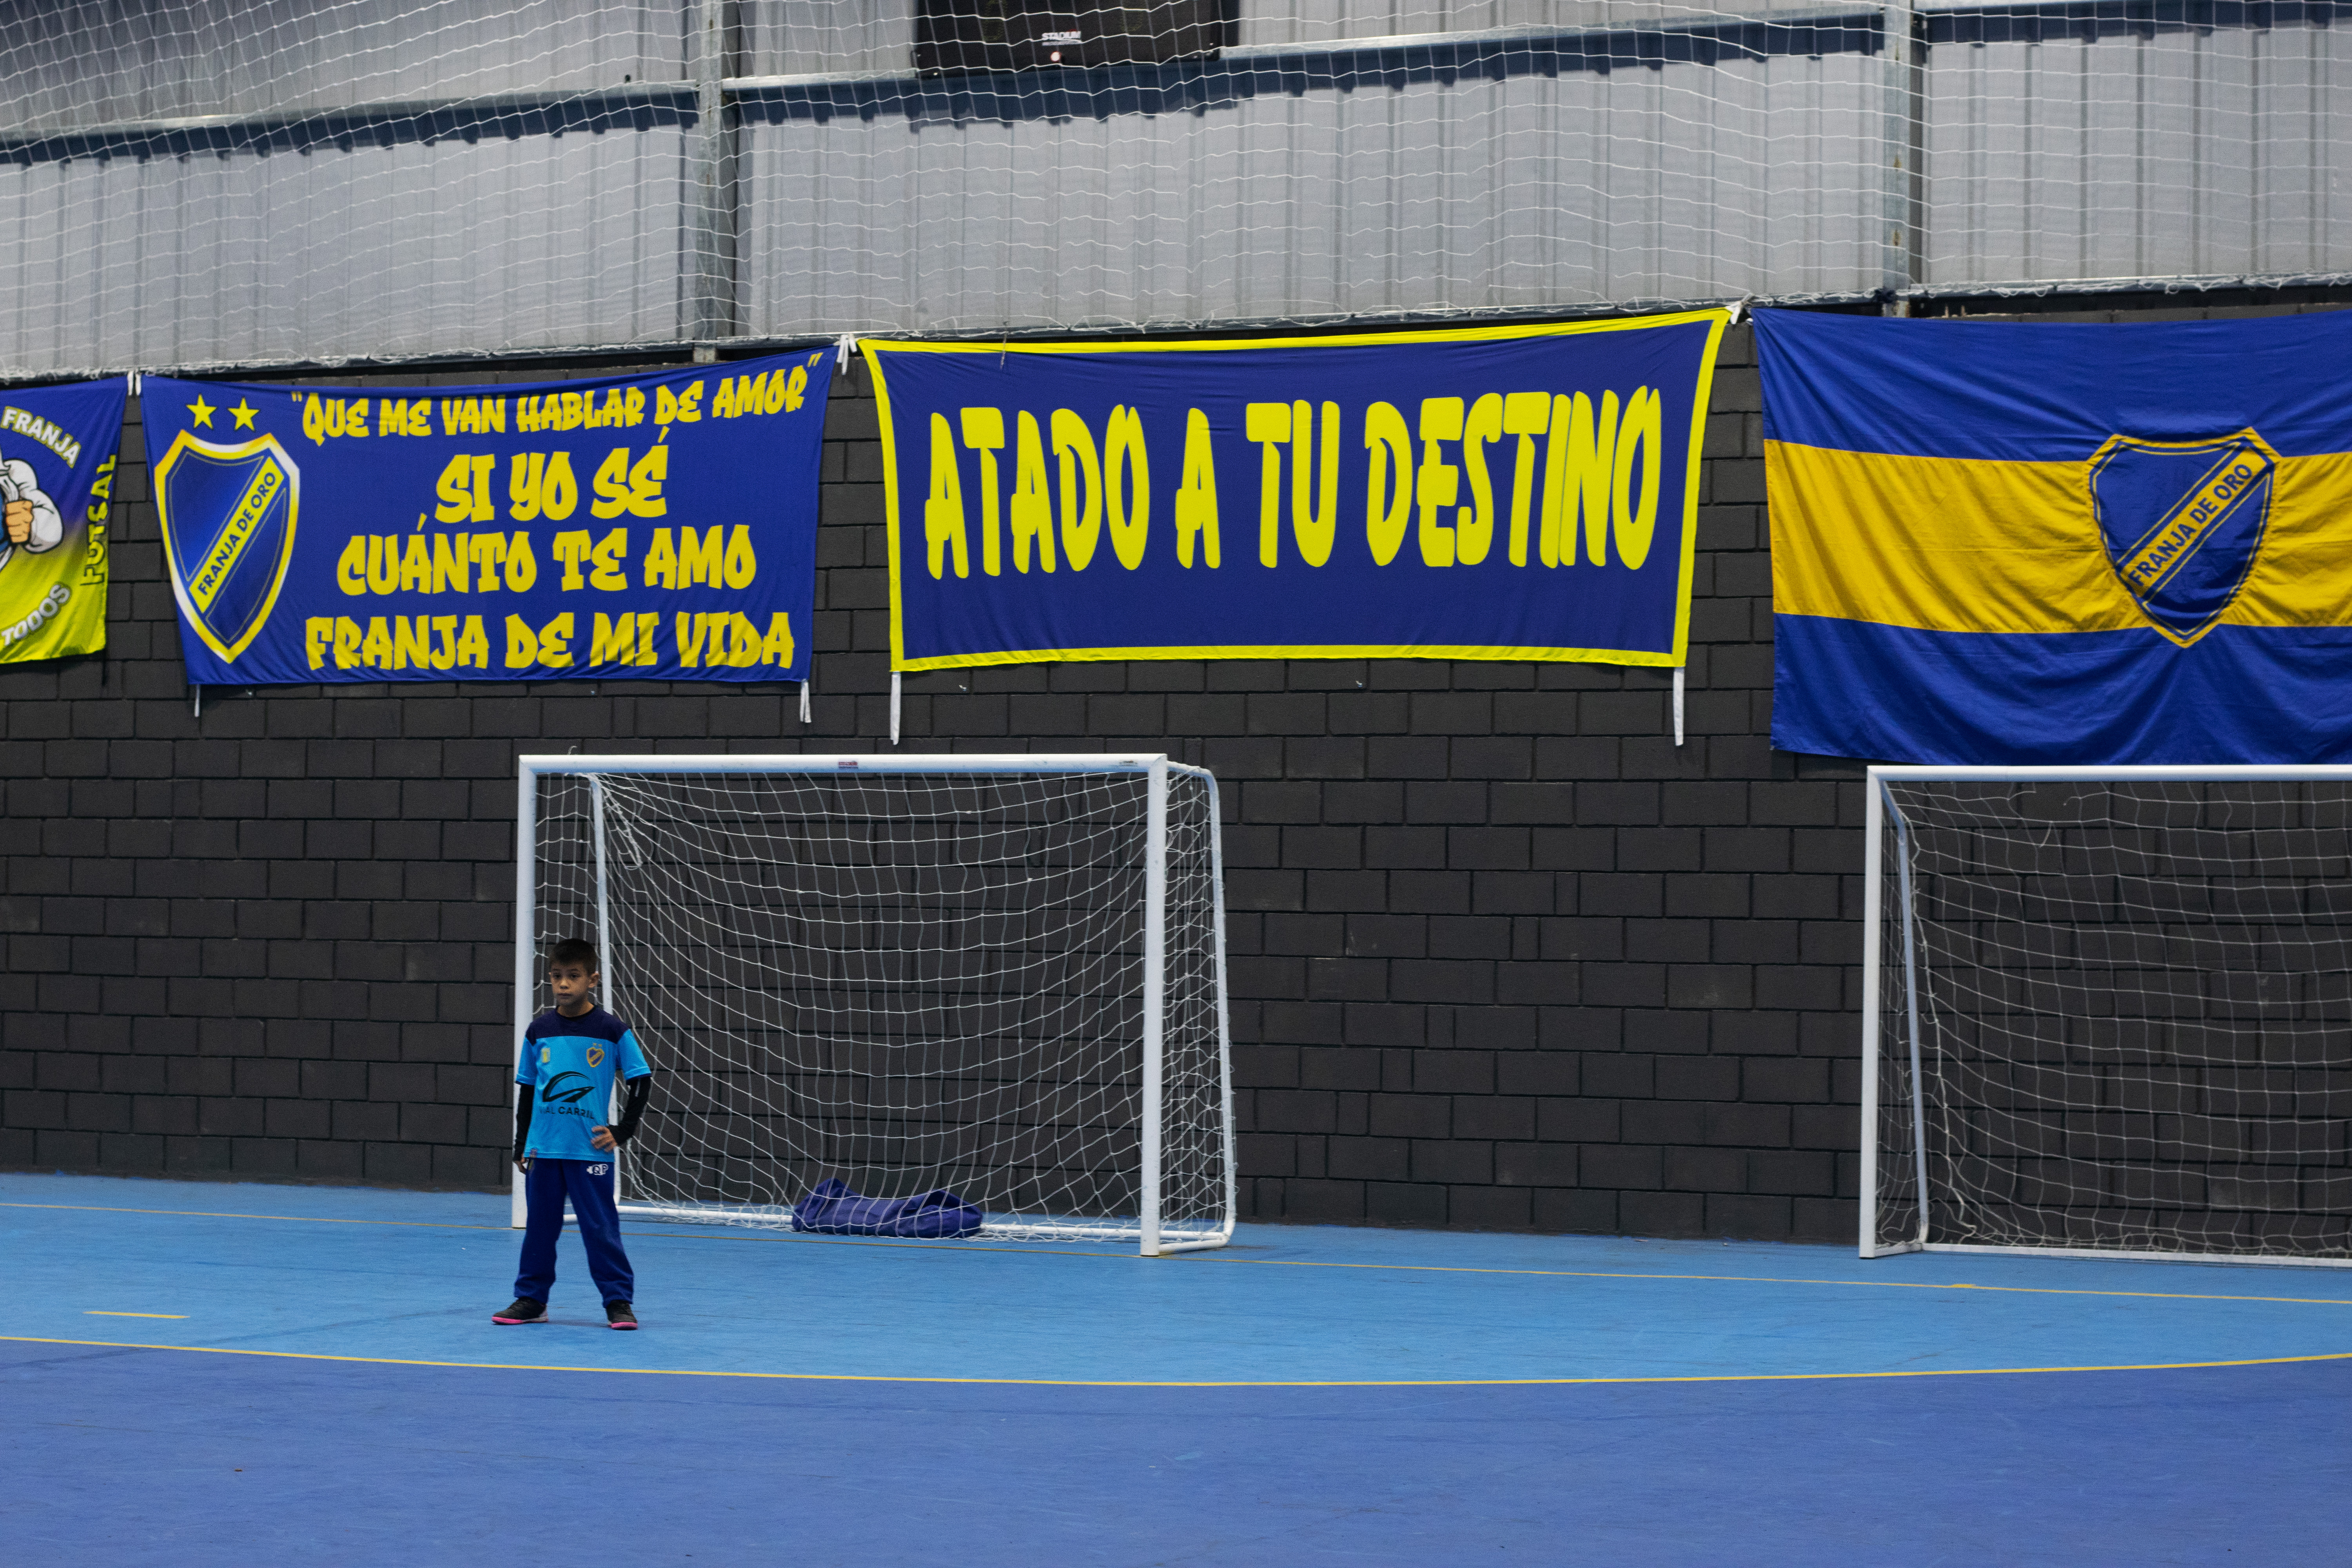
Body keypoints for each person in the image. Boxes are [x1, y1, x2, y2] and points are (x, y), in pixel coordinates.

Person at [494, 937, 653, 1329]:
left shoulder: (612, 1030)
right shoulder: (539, 1031)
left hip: (591, 1151)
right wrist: (521, 1144)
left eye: (573, 976)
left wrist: (624, 1130)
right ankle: (532, 1299)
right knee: (540, 1229)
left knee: (600, 1228)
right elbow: (528, 1091)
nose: (564, 984)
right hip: (545, 1149)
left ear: (593, 979)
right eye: (557, 977)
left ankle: (618, 1301)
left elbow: (641, 1078)